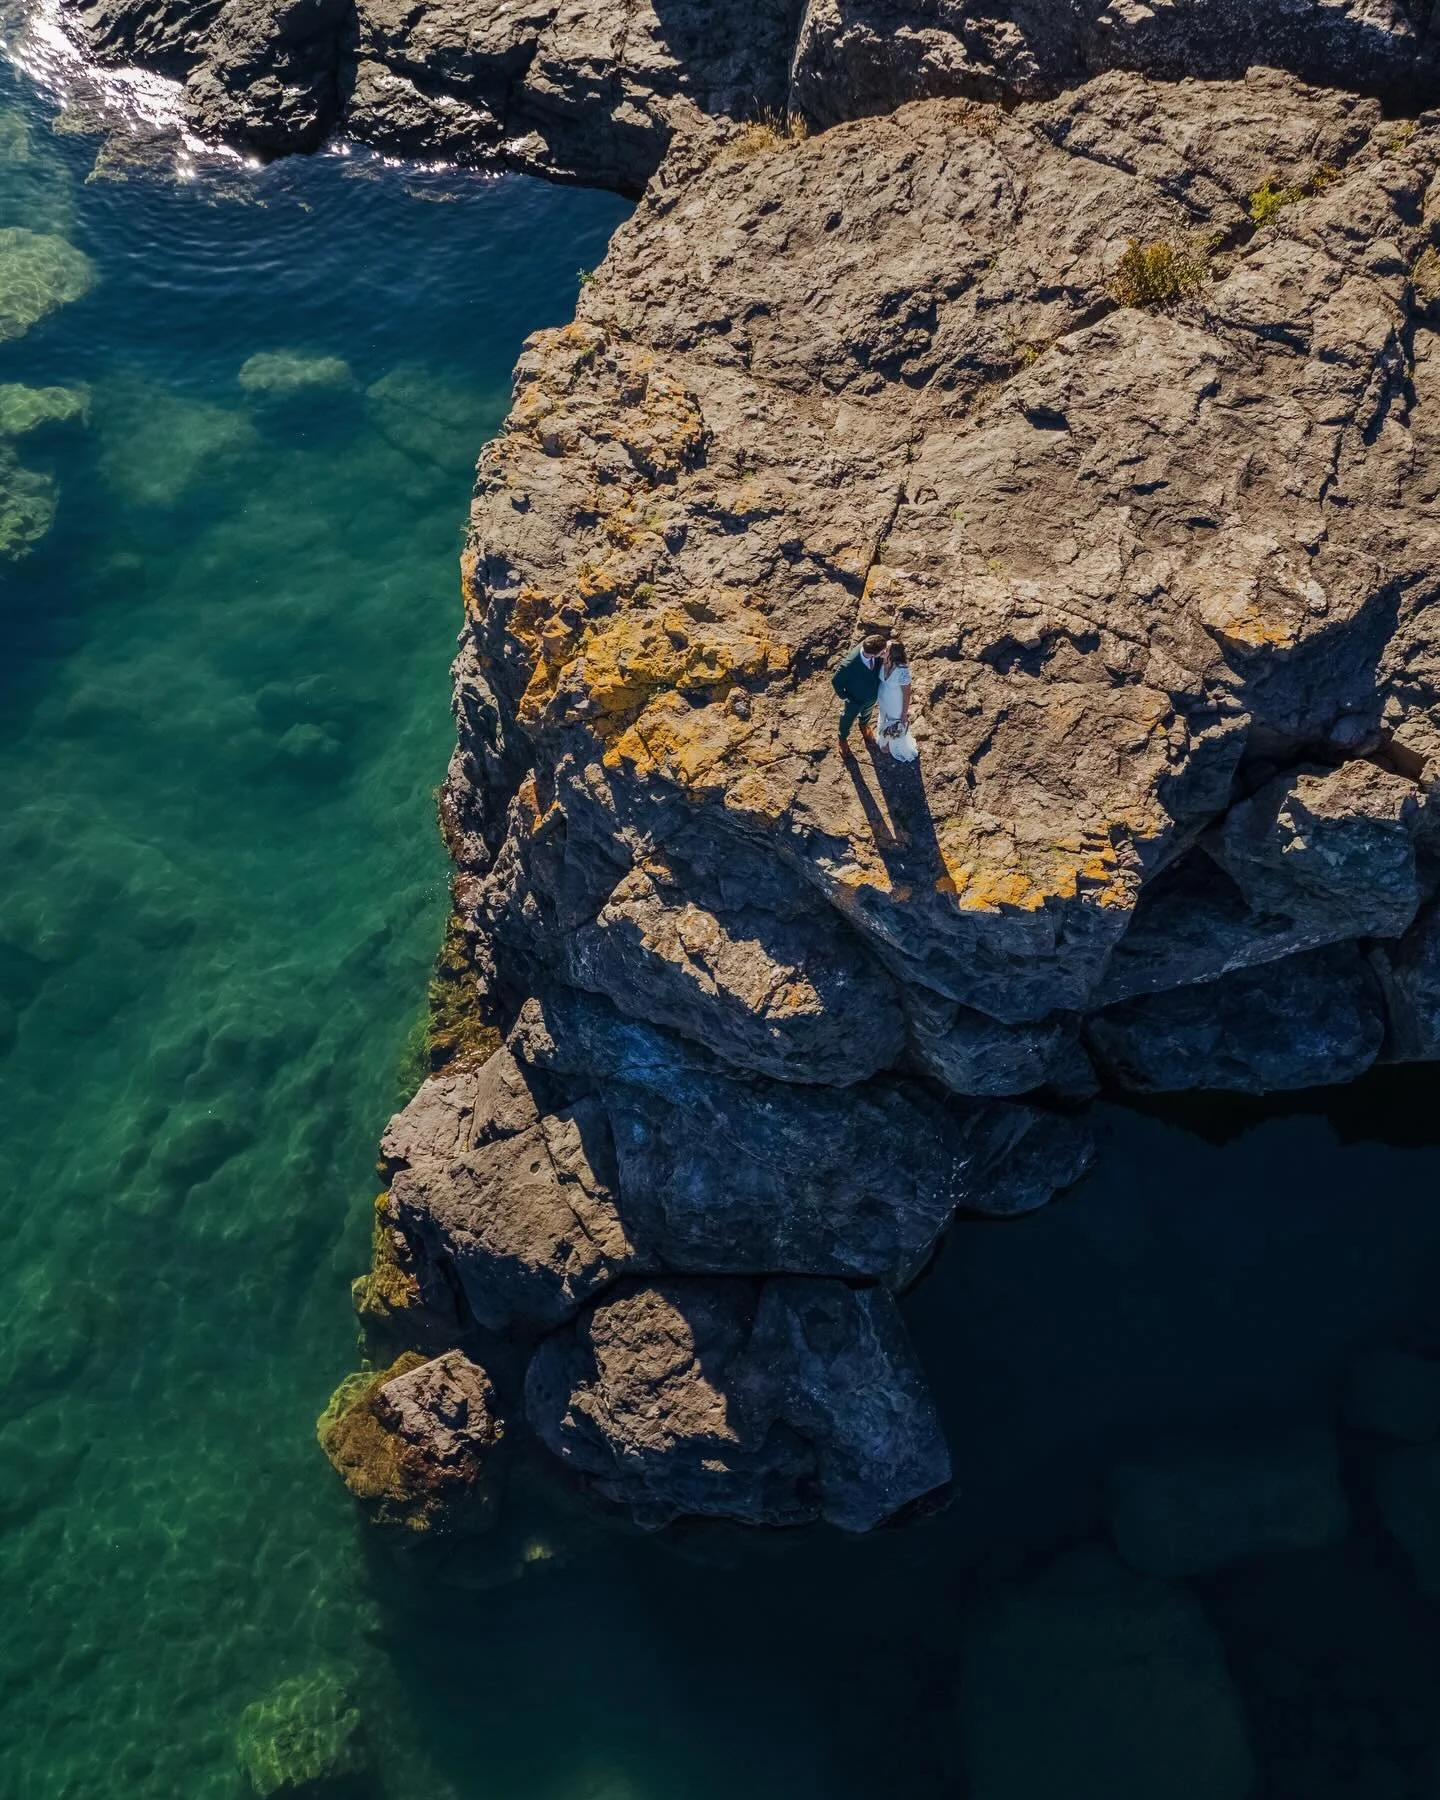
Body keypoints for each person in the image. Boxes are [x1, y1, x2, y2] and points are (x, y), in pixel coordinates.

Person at [832, 632, 886, 749]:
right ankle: (843, 739)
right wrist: (846, 697)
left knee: (867, 712)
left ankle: (864, 726)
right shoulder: (848, 665)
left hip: (871, 696)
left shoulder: (870, 645)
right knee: (848, 718)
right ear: (873, 654)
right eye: (882, 652)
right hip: (854, 699)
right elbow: (836, 681)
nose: (884, 653)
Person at [877, 638, 919, 761]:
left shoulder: (902, 671)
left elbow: (907, 693)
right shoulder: (881, 662)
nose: (883, 650)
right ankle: (885, 741)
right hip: (884, 701)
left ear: (893, 653)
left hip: (896, 704)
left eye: (887, 649)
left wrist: (904, 714)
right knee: (883, 719)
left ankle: (896, 746)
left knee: (895, 724)